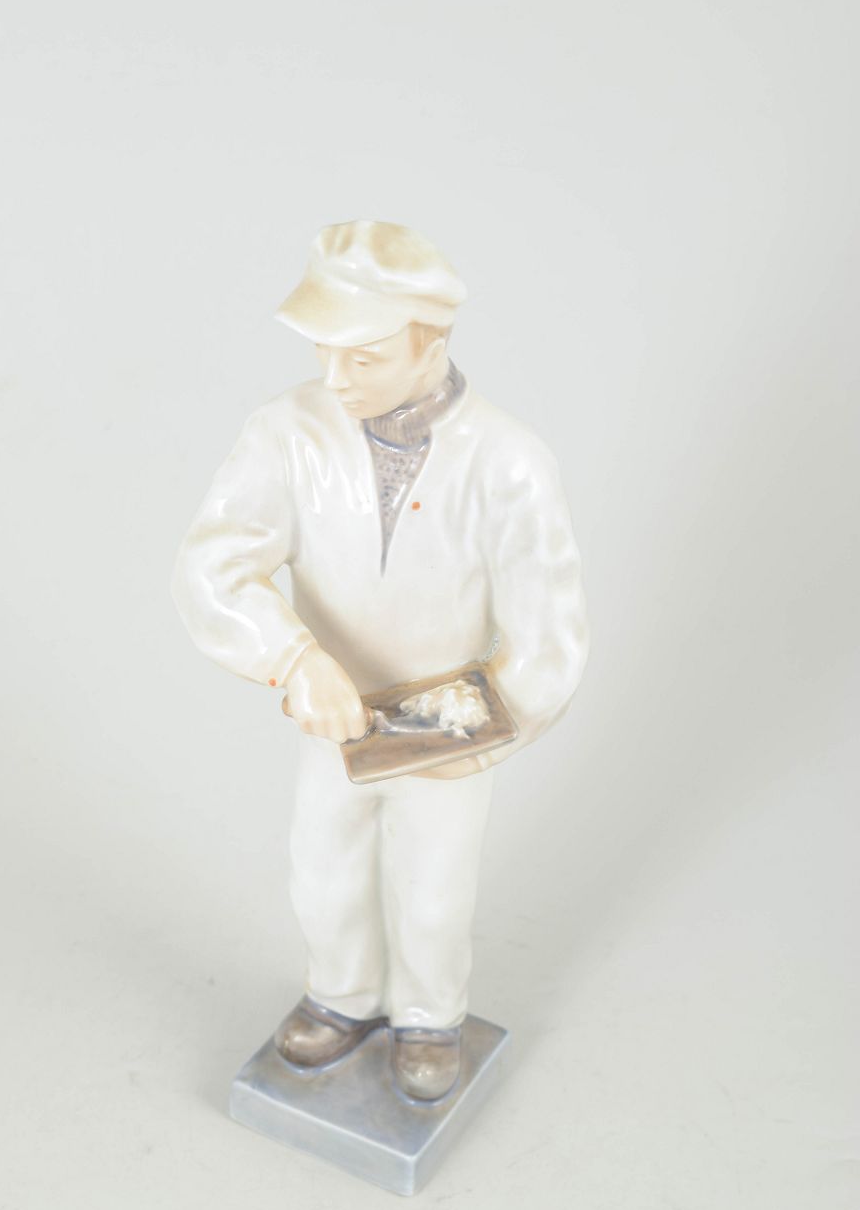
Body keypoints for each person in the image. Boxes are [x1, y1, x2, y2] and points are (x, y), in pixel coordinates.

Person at [172, 219, 589, 1101]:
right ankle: (342, 995)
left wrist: (482, 726)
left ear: (430, 344)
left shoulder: (508, 462)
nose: (335, 377)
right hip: (333, 714)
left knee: (435, 885)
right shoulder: (287, 432)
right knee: (321, 866)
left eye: (362, 357)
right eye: (324, 352)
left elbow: (549, 630)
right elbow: (213, 565)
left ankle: (430, 1016)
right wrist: (295, 659)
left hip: (451, 724)